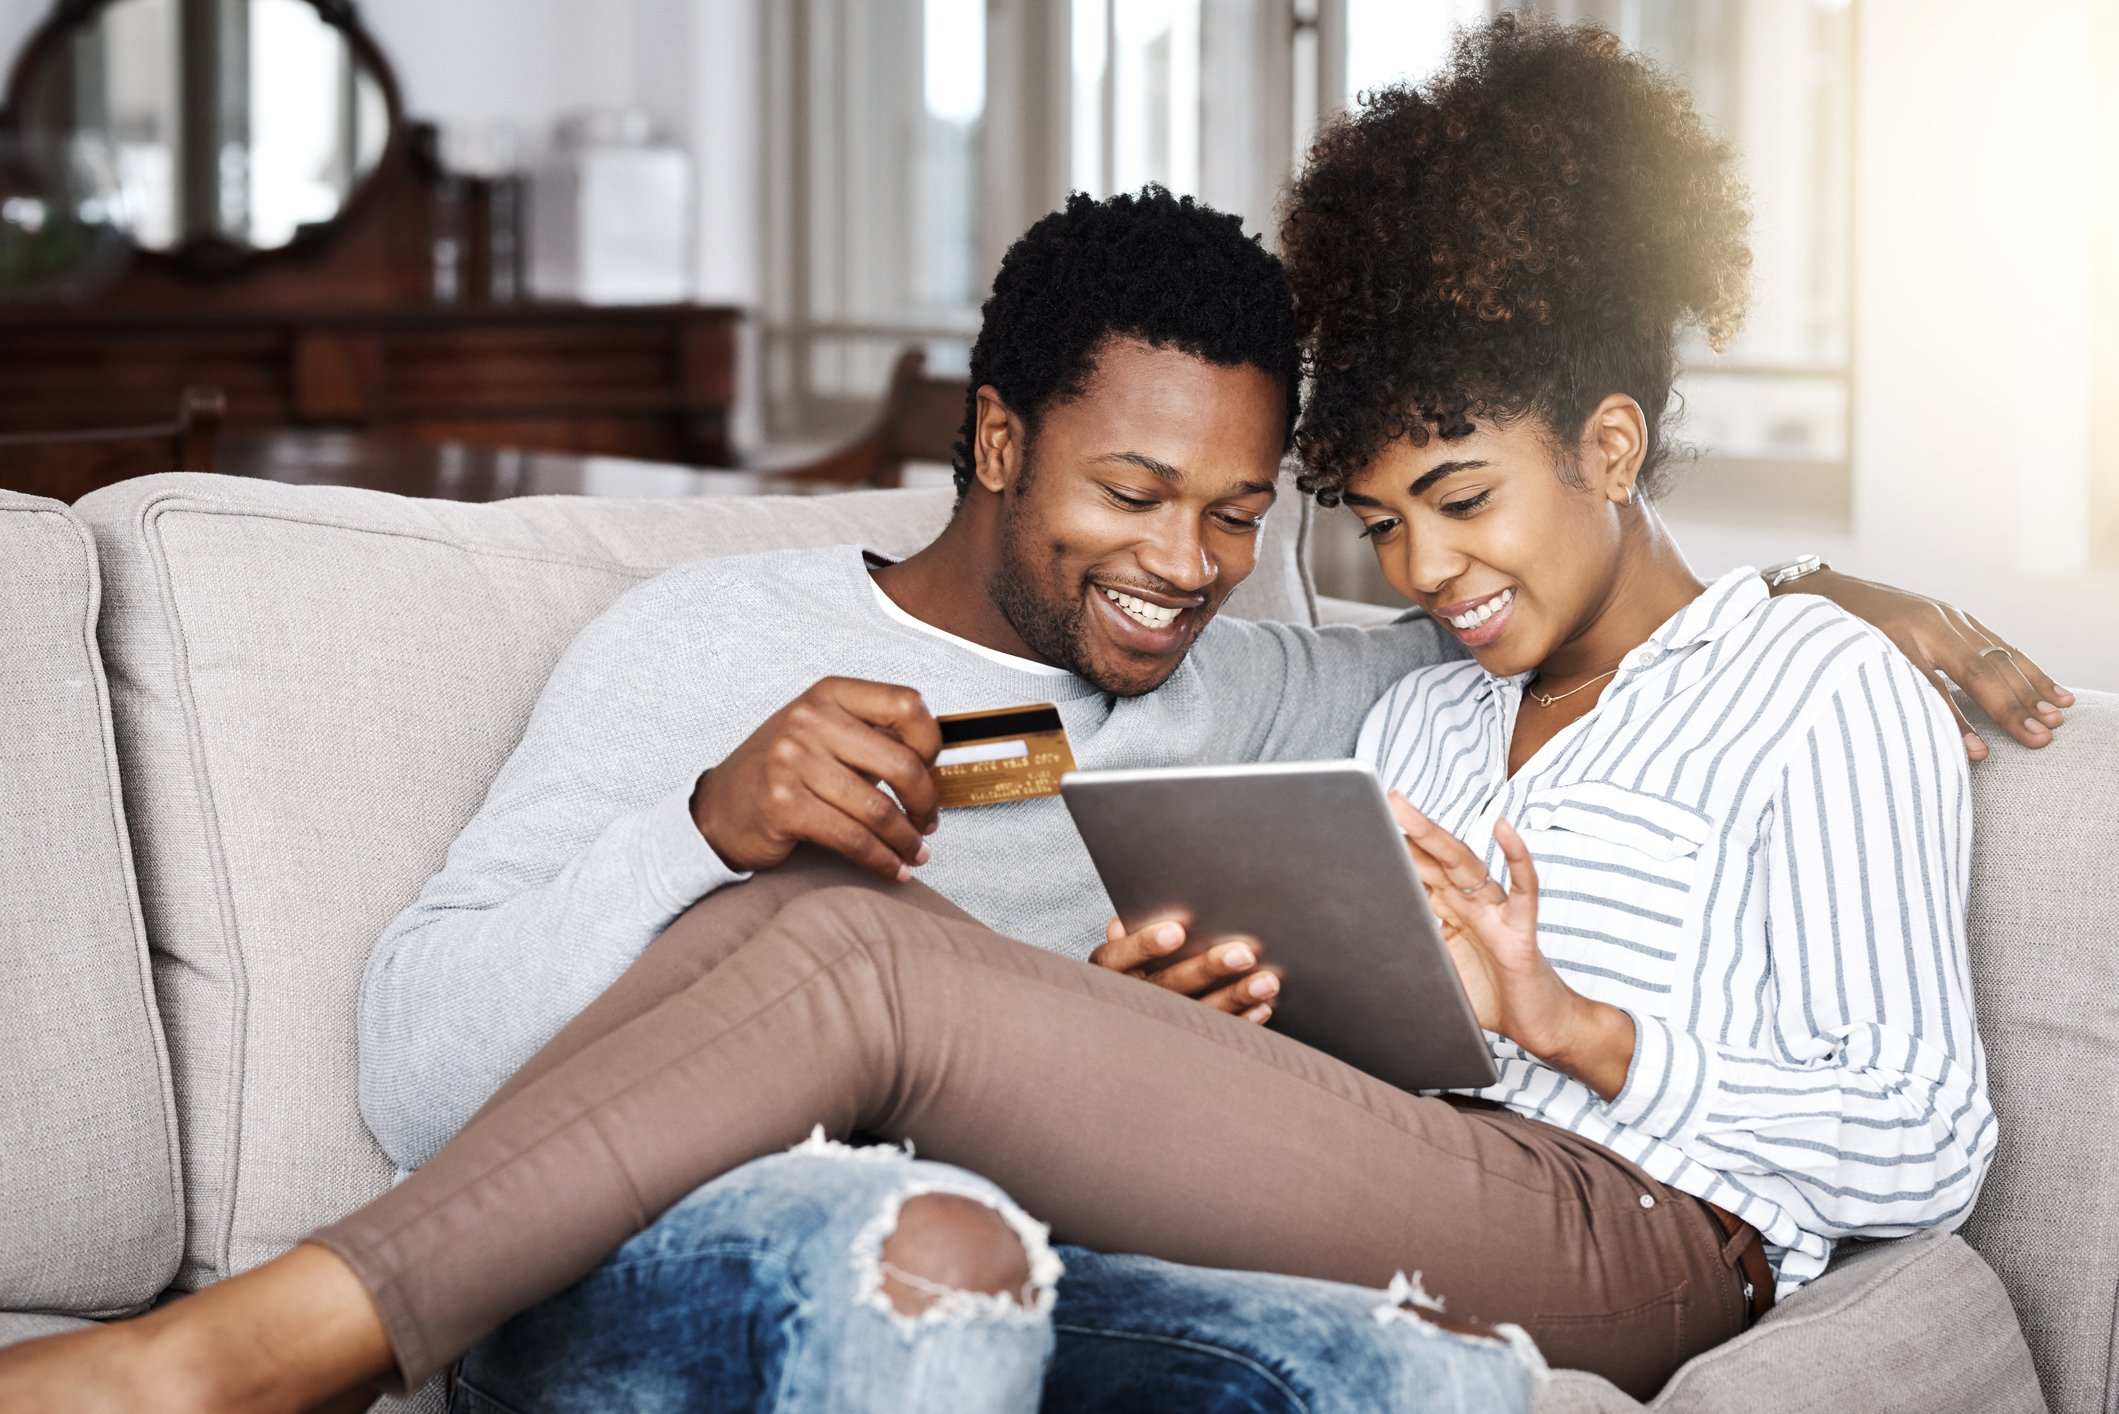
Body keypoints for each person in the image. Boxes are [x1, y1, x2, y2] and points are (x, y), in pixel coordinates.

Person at [0, 25, 2071, 1407]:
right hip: (1324, 1175)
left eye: (1258, 519)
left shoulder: (1693, 683)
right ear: (994, 440)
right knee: (786, 933)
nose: (1207, 564)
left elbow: (1921, 1129)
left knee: (858, 952)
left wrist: (1793, 628)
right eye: (1371, 522)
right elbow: (419, 1056)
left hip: (1633, 1225)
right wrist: (1158, 1002)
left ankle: (225, 1359)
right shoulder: (1416, 702)